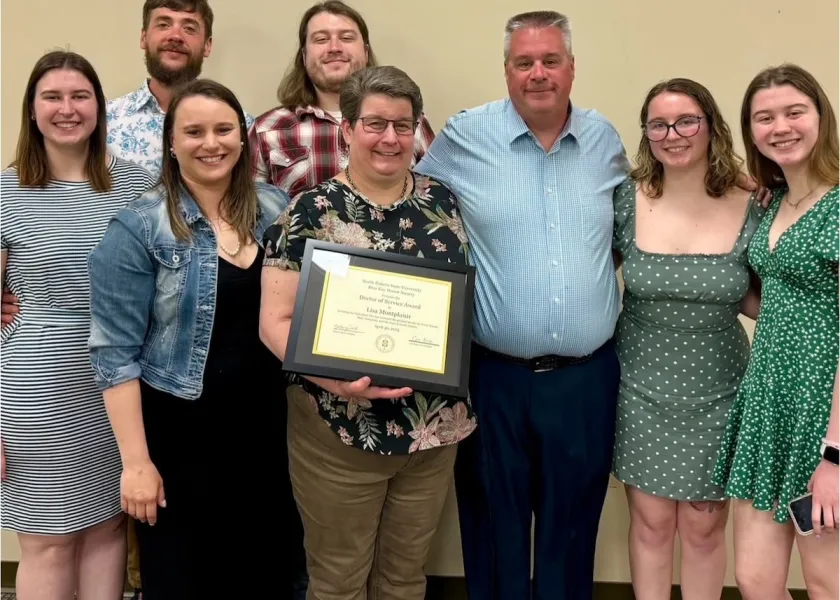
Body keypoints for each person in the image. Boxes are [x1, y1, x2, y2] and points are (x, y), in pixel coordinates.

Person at [412, 11, 628, 600]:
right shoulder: (463, 137)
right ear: (506, 70)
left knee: (574, 523)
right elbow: (407, 210)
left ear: (572, 68)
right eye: (524, 62)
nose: (538, 73)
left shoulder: (605, 140)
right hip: (493, 377)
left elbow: (648, 212)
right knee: (492, 525)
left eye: (550, 60)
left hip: (586, 379)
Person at [259, 65, 476, 600]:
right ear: (347, 131)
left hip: (432, 432)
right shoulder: (311, 210)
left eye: (403, 126)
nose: (389, 138)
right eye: (375, 123)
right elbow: (274, 322)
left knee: (405, 578)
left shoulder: (443, 203)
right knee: (338, 581)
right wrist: (332, 380)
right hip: (339, 432)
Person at [87, 78, 289, 600]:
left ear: (243, 139)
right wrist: (136, 464)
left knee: (264, 570)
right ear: (171, 143)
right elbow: (114, 357)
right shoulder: (138, 228)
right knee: (182, 577)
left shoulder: (279, 210)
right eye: (194, 132)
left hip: (269, 430)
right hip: (180, 432)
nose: (211, 143)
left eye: (224, 129)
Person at [0, 50, 156, 600]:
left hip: (120, 384)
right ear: (32, 109)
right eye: (53, 97)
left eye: (80, 96)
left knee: (109, 527)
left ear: (99, 107)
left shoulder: (139, 186)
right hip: (32, 386)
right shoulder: (5, 192)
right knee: (47, 539)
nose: (68, 109)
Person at [611, 78, 763, 600]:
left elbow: (761, 301)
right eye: (659, 124)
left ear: (711, 127)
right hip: (641, 387)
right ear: (647, 134)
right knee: (651, 525)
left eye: (686, 121)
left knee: (703, 528)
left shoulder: (754, 201)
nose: (672, 134)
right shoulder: (625, 199)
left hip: (719, 390)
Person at [712, 64, 839, 600]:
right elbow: (775, 304)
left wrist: (835, 455)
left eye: (794, 112)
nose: (780, 127)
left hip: (824, 415)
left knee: (826, 582)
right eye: (764, 118)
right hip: (768, 405)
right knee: (757, 581)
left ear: (821, 118)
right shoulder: (773, 203)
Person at [248, 0, 435, 199]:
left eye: (346, 38)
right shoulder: (266, 129)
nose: (334, 47)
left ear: (365, 51)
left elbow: (432, 197)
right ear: (304, 56)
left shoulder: (410, 122)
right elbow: (250, 214)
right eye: (321, 39)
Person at [106, 0, 254, 179]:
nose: (175, 36)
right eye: (163, 25)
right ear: (143, 38)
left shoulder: (242, 127)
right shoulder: (105, 122)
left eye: (189, 28)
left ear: (207, 45)